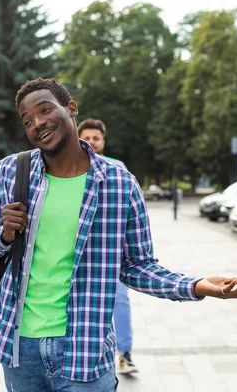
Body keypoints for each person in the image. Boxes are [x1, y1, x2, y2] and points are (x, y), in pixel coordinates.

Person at [0, 78, 237, 391]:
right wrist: (5, 235)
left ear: (71, 109)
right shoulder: (11, 171)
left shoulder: (119, 183)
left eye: (45, 110)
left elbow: (137, 265)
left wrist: (196, 285)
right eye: (28, 120)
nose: (38, 123)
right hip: (19, 348)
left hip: (85, 348)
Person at [78, 118, 138, 375]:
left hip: (112, 249)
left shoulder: (118, 168)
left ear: (103, 142)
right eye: (87, 137)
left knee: (120, 300)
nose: (91, 142)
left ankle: (124, 354)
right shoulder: (69, 168)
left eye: (96, 138)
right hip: (78, 249)